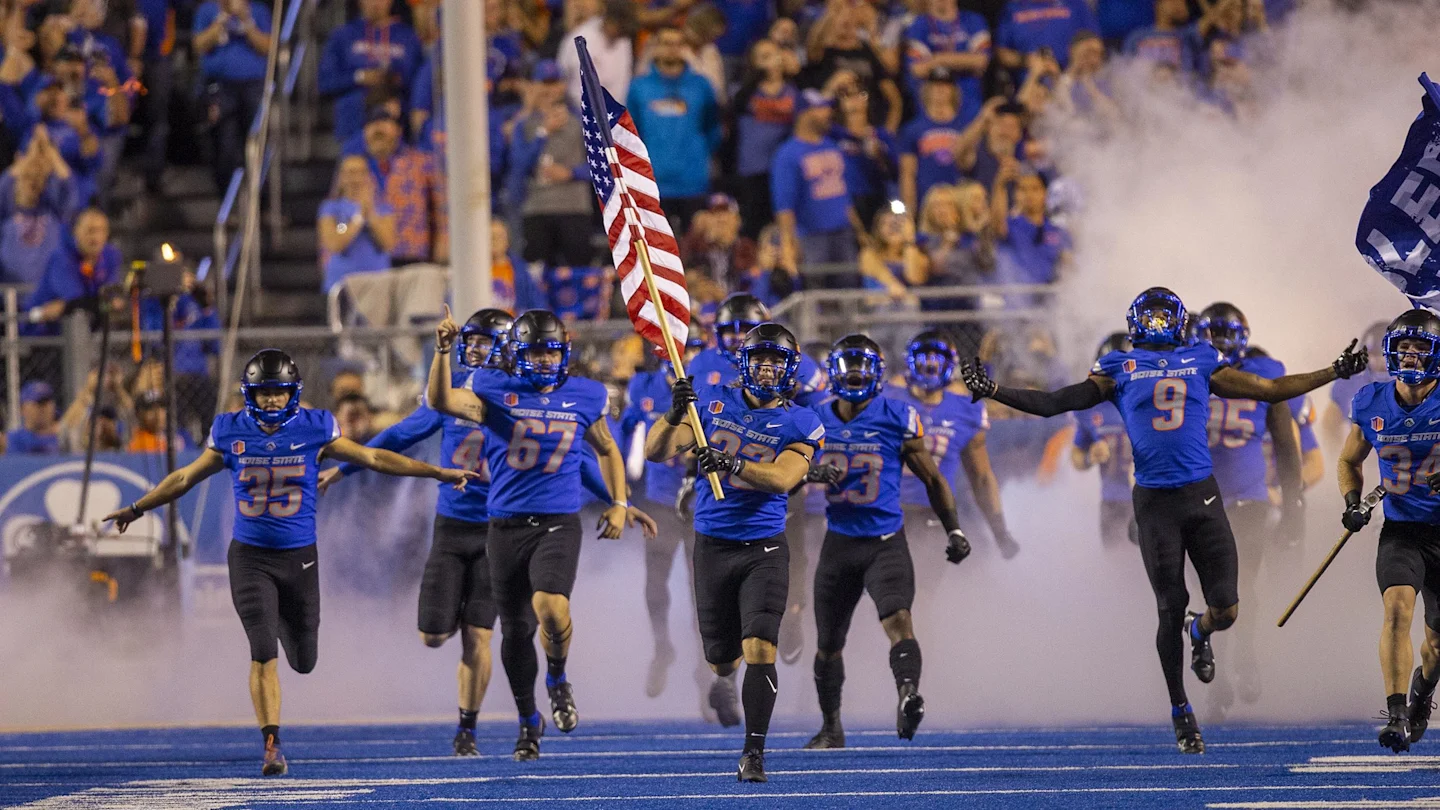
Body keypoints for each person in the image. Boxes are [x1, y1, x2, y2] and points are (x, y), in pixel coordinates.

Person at [959, 287, 1368, 753]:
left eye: (1162, 316)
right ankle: (1181, 710)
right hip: (1155, 502)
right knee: (1168, 608)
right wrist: (994, 391)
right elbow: (1058, 402)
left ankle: (1202, 630)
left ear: (1176, 321)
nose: (1155, 324)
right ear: (1136, 322)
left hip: (1202, 497)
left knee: (1228, 608)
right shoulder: (1119, 366)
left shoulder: (1200, 358)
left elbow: (1271, 391)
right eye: (1148, 317)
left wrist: (1334, 371)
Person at [102, 350, 480, 775]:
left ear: (293, 393)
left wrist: (436, 472)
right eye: (263, 394)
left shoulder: (315, 428)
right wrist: (137, 508)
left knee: (303, 659)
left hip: (299, 558)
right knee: (262, 651)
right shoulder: (230, 432)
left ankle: (285, 627)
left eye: (278, 393)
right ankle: (272, 743)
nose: (271, 402)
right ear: (249, 395)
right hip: (249, 557)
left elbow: (374, 458)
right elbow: (185, 477)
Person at [320, 309, 656, 755]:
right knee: (460, 633)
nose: (474, 350)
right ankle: (521, 710)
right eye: (470, 341)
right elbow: (407, 429)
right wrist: (344, 468)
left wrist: (620, 503)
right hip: (485, 526)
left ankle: (501, 719)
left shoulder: (576, 396)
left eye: (483, 342)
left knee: (520, 620)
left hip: (541, 523)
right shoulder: (482, 390)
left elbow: (584, 457)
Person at [425, 308, 633, 760]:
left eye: (551, 351)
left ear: (564, 353)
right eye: (535, 351)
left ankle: (557, 678)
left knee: (550, 606)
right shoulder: (493, 388)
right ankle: (527, 722)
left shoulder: (585, 395)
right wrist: (443, 351)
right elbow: (441, 400)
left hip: (558, 523)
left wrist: (618, 503)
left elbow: (607, 449)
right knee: (516, 633)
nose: (543, 361)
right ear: (516, 354)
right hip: (504, 526)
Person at [645, 322, 824, 782]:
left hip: (764, 546)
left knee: (760, 646)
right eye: (760, 359)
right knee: (723, 660)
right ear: (743, 364)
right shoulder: (712, 402)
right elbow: (654, 451)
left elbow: (784, 478)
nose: (767, 369)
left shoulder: (802, 421)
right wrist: (673, 413)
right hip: (712, 544)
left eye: (776, 361)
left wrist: (733, 463)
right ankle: (726, 683)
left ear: (791, 369)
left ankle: (754, 752)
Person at [802, 335, 972, 750]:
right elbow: (783, 474)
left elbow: (933, 478)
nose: (856, 374)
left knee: (899, 622)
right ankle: (831, 728)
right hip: (839, 541)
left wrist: (954, 528)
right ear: (835, 373)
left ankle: (907, 694)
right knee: (827, 643)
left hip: (884, 542)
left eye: (863, 367)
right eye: (849, 367)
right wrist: (807, 472)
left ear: (877, 374)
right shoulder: (813, 416)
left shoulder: (897, 415)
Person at [1338, 309, 1440, 753]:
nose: (1411, 357)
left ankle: (1422, 692)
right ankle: (1396, 714)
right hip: (1401, 530)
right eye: (1404, 348)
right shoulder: (1372, 401)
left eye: (1421, 349)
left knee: (1435, 647)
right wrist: (1351, 502)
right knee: (1397, 609)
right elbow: (1347, 460)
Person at [1194, 303, 1303, 709]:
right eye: (1212, 335)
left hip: (1247, 498)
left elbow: (1287, 446)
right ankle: (1214, 668)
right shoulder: (1187, 370)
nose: (1220, 343)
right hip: (1198, 498)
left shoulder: (1266, 373)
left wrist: (1294, 504)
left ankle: (1244, 658)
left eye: (1227, 335)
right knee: (1201, 590)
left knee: (1241, 587)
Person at [620, 326, 713, 715]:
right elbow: (626, 432)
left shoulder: (713, 384)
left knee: (701, 597)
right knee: (655, 585)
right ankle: (662, 645)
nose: (686, 357)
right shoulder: (643, 385)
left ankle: (707, 678)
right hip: (660, 498)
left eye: (692, 348)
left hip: (699, 500)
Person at [887, 330, 1017, 565]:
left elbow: (982, 478)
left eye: (936, 360)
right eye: (924, 360)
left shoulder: (966, 410)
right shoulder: (887, 399)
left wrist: (1000, 531)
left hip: (934, 515)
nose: (929, 367)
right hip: (883, 511)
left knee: (918, 594)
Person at [626, 25, 722, 232]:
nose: (672, 49)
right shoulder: (639, 87)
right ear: (655, 47)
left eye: (678, 44)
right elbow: (632, 134)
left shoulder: (701, 86)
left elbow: (713, 128)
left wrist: (699, 154)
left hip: (693, 182)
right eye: (666, 43)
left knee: (696, 254)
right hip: (653, 183)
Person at [769, 89, 861, 288]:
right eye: (820, 109)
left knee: (850, 293)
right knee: (815, 294)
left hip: (843, 233)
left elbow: (844, 196)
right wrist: (789, 245)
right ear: (803, 114)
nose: (827, 113)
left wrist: (859, 232)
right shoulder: (788, 154)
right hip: (811, 237)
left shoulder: (831, 145)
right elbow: (784, 207)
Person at [192, 0, 273, 192]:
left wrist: (246, 21)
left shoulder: (258, 10)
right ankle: (228, 202)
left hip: (253, 86)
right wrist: (223, 19)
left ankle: (262, 204)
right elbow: (198, 44)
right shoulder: (208, 10)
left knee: (258, 145)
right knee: (224, 146)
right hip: (220, 86)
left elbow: (268, 47)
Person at [318, 0, 423, 144]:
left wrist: (395, 80)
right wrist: (359, 77)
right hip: (354, 126)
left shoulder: (409, 37)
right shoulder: (343, 35)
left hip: (398, 126)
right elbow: (325, 81)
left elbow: (420, 83)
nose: (375, 3)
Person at [1071, 332, 1136, 548]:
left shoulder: (1156, 402)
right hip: (1114, 501)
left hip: (1154, 498)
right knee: (1117, 570)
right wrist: (1090, 457)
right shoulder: (1091, 407)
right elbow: (1076, 457)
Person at [318, 154, 395, 294]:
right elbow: (335, 242)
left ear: (369, 176)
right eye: (351, 173)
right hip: (342, 284)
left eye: (361, 172)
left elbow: (388, 243)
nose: (356, 178)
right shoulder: (331, 209)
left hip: (377, 285)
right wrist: (358, 218)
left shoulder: (383, 209)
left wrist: (370, 214)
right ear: (341, 177)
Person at [9, 381, 61, 454]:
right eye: (39, 403)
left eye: (47, 403)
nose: (44, 408)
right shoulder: (12, 440)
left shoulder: (65, 439)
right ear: (22, 408)